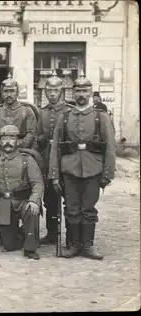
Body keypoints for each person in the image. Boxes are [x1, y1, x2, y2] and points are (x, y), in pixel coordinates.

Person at [48, 72, 116, 260]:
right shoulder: (65, 117)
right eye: (77, 90)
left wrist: (108, 173)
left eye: (85, 90)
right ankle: (74, 244)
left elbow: (110, 146)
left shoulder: (99, 117)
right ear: (72, 92)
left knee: (88, 208)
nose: (81, 94)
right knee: (71, 207)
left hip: (93, 168)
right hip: (69, 168)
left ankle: (88, 245)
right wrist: (54, 173)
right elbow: (55, 147)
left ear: (91, 92)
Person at [0, 124, 44, 260]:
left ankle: (30, 248)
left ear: (18, 141)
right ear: (0, 142)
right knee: (9, 245)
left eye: (12, 138)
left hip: (23, 201)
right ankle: (17, 233)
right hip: (4, 204)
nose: (7, 142)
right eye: (4, 139)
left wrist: (34, 200)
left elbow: (37, 183)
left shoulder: (27, 159)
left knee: (31, 210)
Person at [34, 70, 74, 246]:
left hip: (65, 160)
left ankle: (72, 236)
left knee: (68, 198)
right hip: (47, 160)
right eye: (48, 90)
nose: (52, 94)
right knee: (50, 198)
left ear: (62, 91)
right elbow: (38, 137)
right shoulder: (42, 113)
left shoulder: (69, 111)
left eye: (55, 90)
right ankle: (52, 232)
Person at [0, 74, 38, 159]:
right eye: (5, 91)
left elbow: (31, 133)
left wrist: (16, 149)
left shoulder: (27, 111)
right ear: (1, 93)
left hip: (22, 153)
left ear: (17, 92)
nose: (8, 94)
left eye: (12, 91)